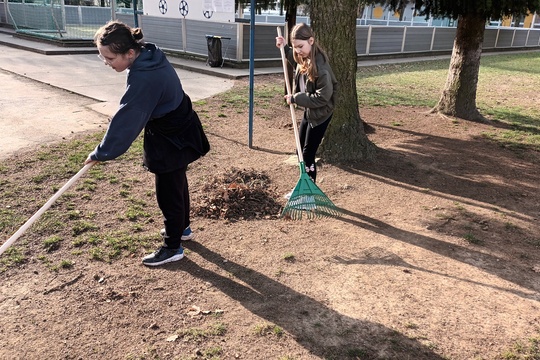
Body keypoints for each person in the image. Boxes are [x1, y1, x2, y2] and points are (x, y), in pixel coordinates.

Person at [85, 20, 210, 266]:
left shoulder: (144, 77)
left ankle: (173, 247)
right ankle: (181, 229)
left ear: (130, 53)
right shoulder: (150, 55)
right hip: (178, 123)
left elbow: (128, 117)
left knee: (168, 190)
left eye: (110, 58)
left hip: (171, 133)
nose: (106, 63)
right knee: (176, 181)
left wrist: (102, 152)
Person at [276, 23, 338, 198]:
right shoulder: (304, 55)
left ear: (311, 41)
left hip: (320, 114)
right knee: (299, 151)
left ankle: (309, 191)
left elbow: (322, 98)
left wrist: (296, 98)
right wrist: (285, 48)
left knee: (308, 154)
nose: (298, 51)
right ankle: (303, 186)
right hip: (310, 111)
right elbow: (295, 59)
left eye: (300, 46)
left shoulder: (322, 68)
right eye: (295, 47)